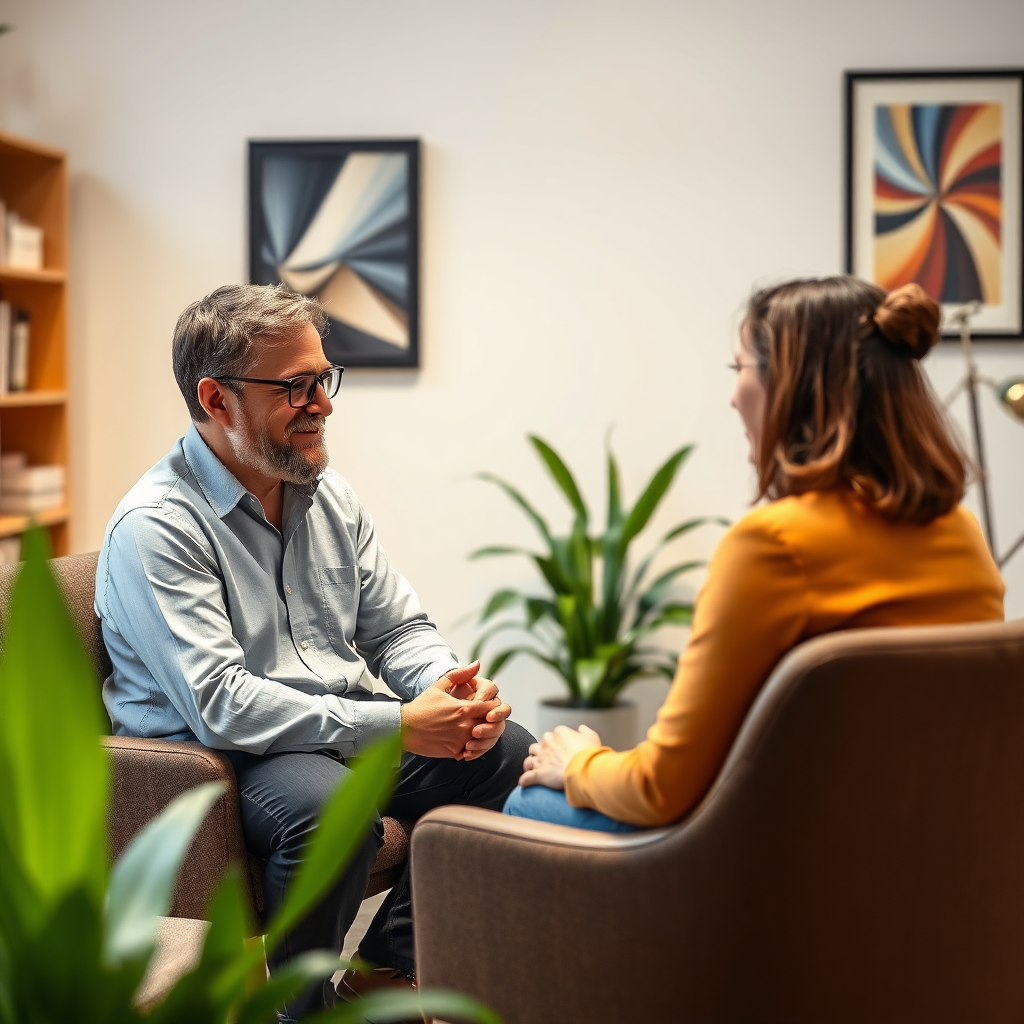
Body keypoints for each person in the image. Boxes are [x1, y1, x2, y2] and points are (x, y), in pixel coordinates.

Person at [96, 283, 532, 1021]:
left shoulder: (327, 496)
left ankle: (383, 970)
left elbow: (395, 629)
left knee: (506, 754)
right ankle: (300, 1010)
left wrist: (448, 690)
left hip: (329, 727)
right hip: (218, 756)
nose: (323, 403)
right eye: (297, 386)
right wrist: (397, 725)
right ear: (216, 398)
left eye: (324, 380)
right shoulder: (156, 526)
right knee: (329, 810)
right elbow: (222, 704)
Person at [504, 276, 1005, 831]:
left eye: (738, 369)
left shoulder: (774, 544)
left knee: (527, 804)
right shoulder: (961, 532)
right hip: (931, 849)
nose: (732, 395)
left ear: (789, 384)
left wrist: (578, 763)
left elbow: (660, 789)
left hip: (788, 866)